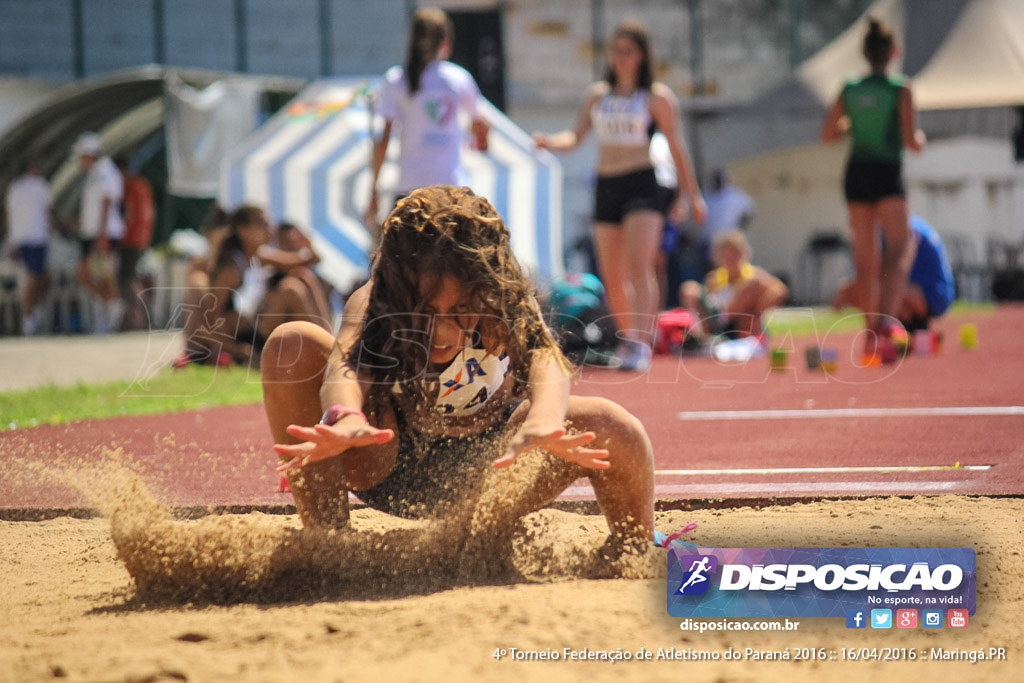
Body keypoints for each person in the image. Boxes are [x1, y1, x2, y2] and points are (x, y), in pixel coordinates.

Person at [263, 185, 654, 559]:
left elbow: (545, 359)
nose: (442, 331)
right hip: (384, 460)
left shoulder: (504, 300)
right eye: (426, 313)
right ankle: (328, 548)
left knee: (615, 425)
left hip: (494, 473)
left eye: (459, 311)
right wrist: (344, 416)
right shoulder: (375, 303)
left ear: (485, 286)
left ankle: (634, 551)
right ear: (397, 292)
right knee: (291, 342)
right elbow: (345, 366)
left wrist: (544, 419)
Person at [534, 20, 706, 372]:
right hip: (607, 184)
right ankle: (628, 340)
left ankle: (641, 342)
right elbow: (575, 136)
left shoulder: (656, 98)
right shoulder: (598, 95)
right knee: (611, 273)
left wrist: (692, 195)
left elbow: (676, 146)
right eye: (616, 51)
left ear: (641, 55)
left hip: (643, 183)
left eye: (627, 51)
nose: (620, 58)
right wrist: (548, 142)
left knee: (639, 263)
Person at [821, 16, 925, 360]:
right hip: (887, 172)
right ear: (892, 53)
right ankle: (886, 324)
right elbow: (912, 142)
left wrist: (854, 122)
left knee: (865, 259)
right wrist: (920, 139)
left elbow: (828, 134)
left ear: (865, 54)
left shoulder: (850, 87)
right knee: (900, 247)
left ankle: (869, 334)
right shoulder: (900, 87)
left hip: (856, 173)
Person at [365, 7, 488, 231]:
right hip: (452, 189)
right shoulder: (458, 78)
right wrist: (480, 142)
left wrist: (373, 189)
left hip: (410, 190)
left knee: (401, 262)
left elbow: (382, 140)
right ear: (446, 40)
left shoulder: (396, 79)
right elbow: (481, 125)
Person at [185, 206, 330, 367]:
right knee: (290, 290)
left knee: (304, 276)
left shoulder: (257, 255)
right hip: (244, 340)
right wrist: (238, 350)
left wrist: (308, 244)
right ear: (243, 230)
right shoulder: (231, 270)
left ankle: (329, 341)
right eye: (263, 224)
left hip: (256, 328)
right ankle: (326, 347)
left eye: (269, 223)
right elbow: (207, 324)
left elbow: (310, 260)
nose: (271, 229)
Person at [832, 214, 954, 334]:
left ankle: (882, 327)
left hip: (932, 297)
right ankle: (894, 323)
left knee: (866, 290)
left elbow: (880, 277)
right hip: (937, 295)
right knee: (874, 289)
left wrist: (850, 290)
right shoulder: (904, 225)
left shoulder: (895, 230)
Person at [680, 229, 788, 346]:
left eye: (735, 255)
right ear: (719, 258)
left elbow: (781, 290)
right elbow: (703, 304)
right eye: (727, 257)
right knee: (689, 288)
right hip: (715, 322)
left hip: (741, 324)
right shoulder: (714, 278)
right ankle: (701, 338)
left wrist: (758, 309)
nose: (731, 261)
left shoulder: (754, 276)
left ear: (744, 254)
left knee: (754, 285)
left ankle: (728, 322)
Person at [73, 132, 126, 334]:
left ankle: (111, 311)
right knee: (87, 275)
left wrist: (101, 235)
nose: (79, 160)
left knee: (105, 275)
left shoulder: (105, 171)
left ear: (89, 154)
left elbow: (107, 202)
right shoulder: (96, 172)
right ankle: (110, 307)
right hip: (92, 233)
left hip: (102, 233)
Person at [4, 159, 52, 335]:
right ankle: (28, 318)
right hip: (36, 239)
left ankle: (32, 315)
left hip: (20, 240)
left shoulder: (14, 187)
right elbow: (50, 210)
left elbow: (9, 216)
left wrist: (11, 242)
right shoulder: (41, 185)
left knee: (37, 279)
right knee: (32, 280)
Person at [115, 156, 155, 330]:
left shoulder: (130, 187)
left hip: (130, 239)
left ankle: (137, 319)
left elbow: (128, 214)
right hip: (142, 238)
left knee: (129, 279)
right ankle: (138, 318)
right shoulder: (143, 186)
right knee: (134, 277)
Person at [701, 168, 753, 263]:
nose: (718, 181)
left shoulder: (736, 195)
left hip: (731, 240)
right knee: (713, 269)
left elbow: (749, 213)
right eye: (716, 179)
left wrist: (739, 230)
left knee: (735, 265)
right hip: (710, 242)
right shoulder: (706, 196)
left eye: (721, 179)